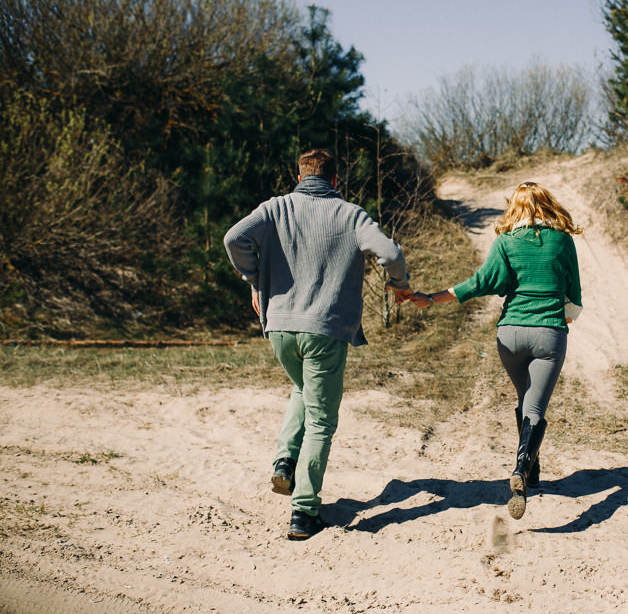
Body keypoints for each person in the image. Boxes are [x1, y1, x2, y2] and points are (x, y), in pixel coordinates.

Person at [223, 148, 412, 540]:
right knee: (322, 421)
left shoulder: (275, 208)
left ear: (299, 176)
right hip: (325, 330)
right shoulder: (351, 214)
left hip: (278, 327)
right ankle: (304, 513)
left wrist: (254, 279)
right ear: (335, 181)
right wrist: (399, 284)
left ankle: (284, 460)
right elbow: (390, 253)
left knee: (301, 389)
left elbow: (233, 238)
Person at [414, 181, 582, 520]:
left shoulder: (505, 242)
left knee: (525, 400)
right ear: (548, 205)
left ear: (514, 208)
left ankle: (531, 470)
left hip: (510, 336)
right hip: (548, 334)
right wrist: (561, 320)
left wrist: (432, 297)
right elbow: (574, 296)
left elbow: (478, 283)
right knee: (534, 407)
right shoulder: (562, 240)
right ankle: (521, 468)